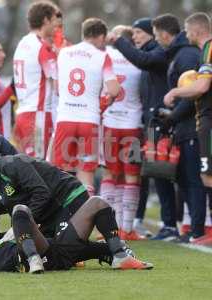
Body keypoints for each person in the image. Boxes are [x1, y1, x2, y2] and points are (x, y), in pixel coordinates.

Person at [0, 189, 153, 272]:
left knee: (98, 202)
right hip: (45, 254)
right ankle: (33, 260)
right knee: (20, 211)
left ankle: (117, 254)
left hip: (58, 250)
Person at [108, 17, 178, 241]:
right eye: (134, 33)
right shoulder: (147, 53)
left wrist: (119, 41)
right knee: (149, 173)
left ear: (150, 33)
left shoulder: (157, 52)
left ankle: (171, 224)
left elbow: (143, 60)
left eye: (138, 33)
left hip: (160, 121)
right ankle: (142, 221)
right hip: (148, 121)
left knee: (161, 174)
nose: (135, 37)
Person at [151, 14, 205, 242]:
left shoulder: (188, 55)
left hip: (194, 126)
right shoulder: (180, 54)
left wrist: (172, 117)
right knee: (185, 179)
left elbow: (193, 93)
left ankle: (197, 229)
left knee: (194, 179)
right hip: (184, 126)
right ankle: (191, 228)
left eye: (155, 35)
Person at [52, 18, 120, 196]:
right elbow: (114, 90)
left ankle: (59, 218)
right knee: (86, 171)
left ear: (84, 34)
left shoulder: (64, 53)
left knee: (61, 172)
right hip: (89, 120)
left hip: (65, 118)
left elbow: (56, 88)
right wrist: (104, 102)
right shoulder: (102, 56)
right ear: (101, 37)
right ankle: (85, 219)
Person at [0, 152, 91, 239]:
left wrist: (22, 225)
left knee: (65, 249)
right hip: (54, 210)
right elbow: (16, 213)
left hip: (70, 196)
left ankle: (106, 249)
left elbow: (41, 192)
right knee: (43, 247)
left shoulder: (10, 165)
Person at [164, 12, 212, 245]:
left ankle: (206, 231)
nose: (185, 33)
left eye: (186, 28)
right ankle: (204, 231)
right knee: (205, 176)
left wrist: (175, 92)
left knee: (207, 176)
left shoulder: (209, 48)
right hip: (204, 121)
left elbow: (202, 85)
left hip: (208, 121)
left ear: (195, 30)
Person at [100, 26, 143, 240]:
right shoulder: (138, 60)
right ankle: (127, 228)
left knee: (109, 174)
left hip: (109, 123)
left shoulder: (105, 57)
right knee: (131, 175)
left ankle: (110, 227)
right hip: (132, 125)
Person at [13, 1, 59, 159]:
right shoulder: (42, 47)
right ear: (45, 20)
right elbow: (57, 85)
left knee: (27, 169)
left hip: (22, 113)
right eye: (54, 20)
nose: (56, 25)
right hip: (38, 115)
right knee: (40, 169)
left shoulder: (23, 43)